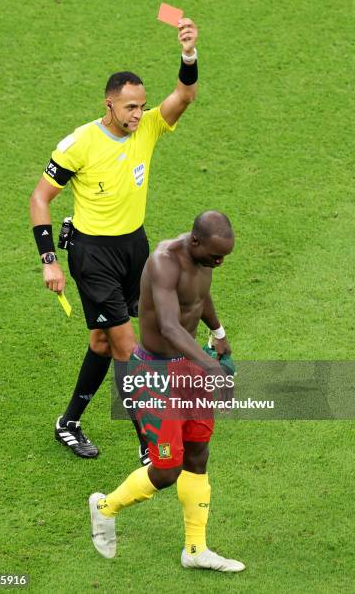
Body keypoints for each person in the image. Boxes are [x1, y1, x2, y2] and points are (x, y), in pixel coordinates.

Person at [29, 18, 199, 462]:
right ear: (109, 104)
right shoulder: (79, 145)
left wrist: (188, 53)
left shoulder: (147, 129)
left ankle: (68, 423)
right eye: (129, 108)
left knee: (102, 344)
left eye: (141, 107)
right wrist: (49, 259)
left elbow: (184, 96)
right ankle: (151, 445)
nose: (137, 115)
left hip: (133, 250)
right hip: (93, 256)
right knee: (127, 346)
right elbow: (40, 198)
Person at [89, 211, 246, 573]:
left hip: (188, 367)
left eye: (225, 257)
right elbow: (171, 327)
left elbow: (199, 298)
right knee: (166, 469)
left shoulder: (206, 257)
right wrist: (212, 369)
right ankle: (104, 507)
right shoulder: (163, 263)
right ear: (195, 242)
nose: (220, 263)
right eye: (215, 256)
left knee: (197, 454)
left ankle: (195, 549)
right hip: (154, 374)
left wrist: (218, 334)